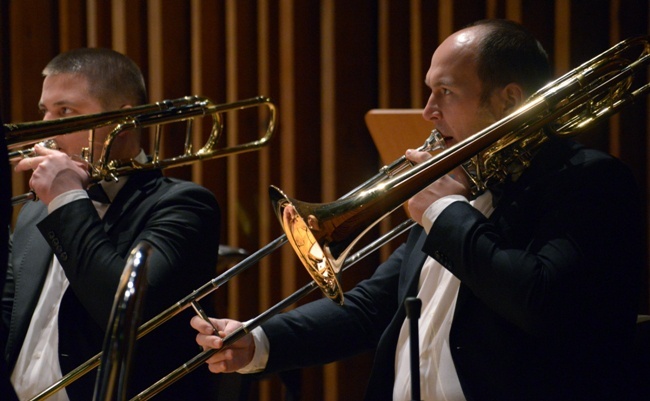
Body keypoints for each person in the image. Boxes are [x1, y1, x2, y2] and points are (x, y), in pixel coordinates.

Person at [192, 19, 644, 401]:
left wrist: (446, 211)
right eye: (430, 92)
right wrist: (259, 342)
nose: (428, 111)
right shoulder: (460, 187)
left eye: (445, 92)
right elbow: (373, 307)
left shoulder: (589, 181)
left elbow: (543, 303)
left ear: (509, 99)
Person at [2, 48, 225, 400]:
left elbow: (123, 315)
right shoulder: (34, 212)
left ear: (125, 123)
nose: (45, 131)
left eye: (65, 112)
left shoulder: (183, 206)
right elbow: (9, 320)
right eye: (44, 111)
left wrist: (67, 200)